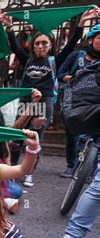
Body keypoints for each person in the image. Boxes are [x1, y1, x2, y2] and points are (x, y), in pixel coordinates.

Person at [2, 7, 98, 188]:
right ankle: (13, 169)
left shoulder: (55, 60)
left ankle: (28, 172)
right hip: (26, 101)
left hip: (43, 104)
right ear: (33, 45)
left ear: (50, 45)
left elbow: (71, 45)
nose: (40, 47)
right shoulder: (27, 60)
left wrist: (81, 24)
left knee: (35, 138)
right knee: (16, 136)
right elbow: (14, 46)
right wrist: (8, 27)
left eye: (44, 43)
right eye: (37, 43)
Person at [57, 24, 100, 178]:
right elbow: (60, 74)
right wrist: (75, 78)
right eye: (99, 38)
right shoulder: (77, 55)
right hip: (76, 100)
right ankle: (71, 165)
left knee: (96, 138)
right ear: (91, 40)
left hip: (96, 101)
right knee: (72, 134)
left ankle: (91, 171)